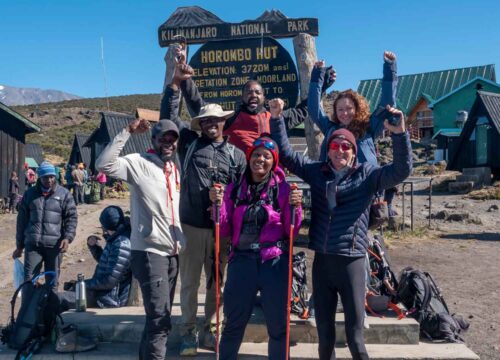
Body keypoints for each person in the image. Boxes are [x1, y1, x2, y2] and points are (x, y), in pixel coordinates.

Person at [270, 100, 412, 360]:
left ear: (354, 152)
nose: (340, 151)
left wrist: (400, 134)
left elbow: (401, 170)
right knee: (324, 338)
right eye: (334, 145)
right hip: (322, 263)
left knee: (355, 337)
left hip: (352, 263)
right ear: (328, 149)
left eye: (346, 146)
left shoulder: (368, 175)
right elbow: (288, 155)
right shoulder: (317, 172)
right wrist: (277, 119)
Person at [161, 61, 247, 356]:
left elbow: (242, 194)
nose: (212, 125)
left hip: (222, 231)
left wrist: (227, 203)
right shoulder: (189, 144)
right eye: (207, 121)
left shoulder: (237, 156)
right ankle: (187, 333)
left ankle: (210, 329)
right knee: (189, 283)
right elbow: (168, 117)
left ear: (224, 122)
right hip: (192, 227)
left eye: (216, 121)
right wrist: (175, 85)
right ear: (201, 124)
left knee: (217, 283)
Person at [96, 118, 185, 360]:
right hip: (149, 252)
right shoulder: (139, 162)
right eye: (162, 138)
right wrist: (127, 131)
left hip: (172, 253)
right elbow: (103, 164)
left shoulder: (173, 170)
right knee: (160, 320)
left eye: (172, 139)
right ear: (153, 139)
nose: (168, 143)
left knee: (157, 317)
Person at [209, 134, 303, 360]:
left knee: (278, 325)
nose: (260, 159)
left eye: (267, 156)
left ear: (274, 161)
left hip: (274, 262)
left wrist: (296, 206)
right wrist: (217, 204)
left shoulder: (282, 189)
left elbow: (293, 229)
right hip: (242, 261)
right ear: (249, 157)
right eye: (256, 154)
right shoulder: (234, 189)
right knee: (233, 323)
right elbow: (223, 229)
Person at [161, 47, 333, 153]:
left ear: (263, 97)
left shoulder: (277, 118)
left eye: (257, 92)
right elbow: (199, 104)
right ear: (242, 96)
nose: (253, 95)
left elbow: (304, 108)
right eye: (248, 92)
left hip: (268, 183)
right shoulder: (229, 119)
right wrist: (185, 79)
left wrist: (322, 85)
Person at [13, 161, 78, 295]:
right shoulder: (29, 194)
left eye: (51, 176)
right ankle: (28, 314)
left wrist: (67, 238)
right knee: (29, 282)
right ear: (39, 178)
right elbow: (22, 221)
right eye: (45, 177)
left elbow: (71, 218)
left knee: (52, 282)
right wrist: (19, 246)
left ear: (55, 176)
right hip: (33, 246)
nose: (49, 180)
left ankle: (50, 314)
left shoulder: (64, 194)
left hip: (55, 246)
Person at [58, 206, 132, 310]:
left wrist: (82, 284)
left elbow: (109, 281)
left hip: (107, 298)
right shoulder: (116, 238)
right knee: (60, 295)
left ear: (105, 225)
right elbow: (108, 263)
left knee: (57, 299)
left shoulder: (121, 243)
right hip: (101, 293)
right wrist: (94, 247)